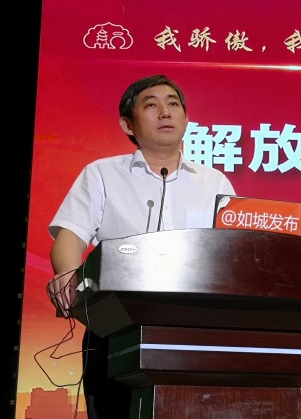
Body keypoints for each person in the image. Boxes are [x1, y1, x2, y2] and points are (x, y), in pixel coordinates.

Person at [46, 74, 236, 418]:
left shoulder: (214, 182)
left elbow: (234, 251)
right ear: (127, 124)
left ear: (186, 119)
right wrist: (67, 274)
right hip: (115, 324)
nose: (165, 112)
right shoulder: (102, 174)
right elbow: (71, 235)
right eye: (151, 105)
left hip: (196, 328)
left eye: (173, 104)